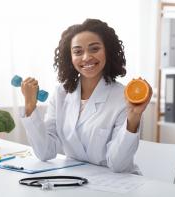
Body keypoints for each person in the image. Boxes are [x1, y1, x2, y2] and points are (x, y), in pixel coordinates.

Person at [20, 18, 152, 173]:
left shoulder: (123, 98)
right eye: (78, 52)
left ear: (107, 51)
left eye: (94, 49)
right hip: (77, 179)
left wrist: (133, 119)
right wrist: (30, 106)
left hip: (117, 182)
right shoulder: (61, 94)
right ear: (69, 57)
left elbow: (118, 165)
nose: (86, 57)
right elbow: (45, 152)